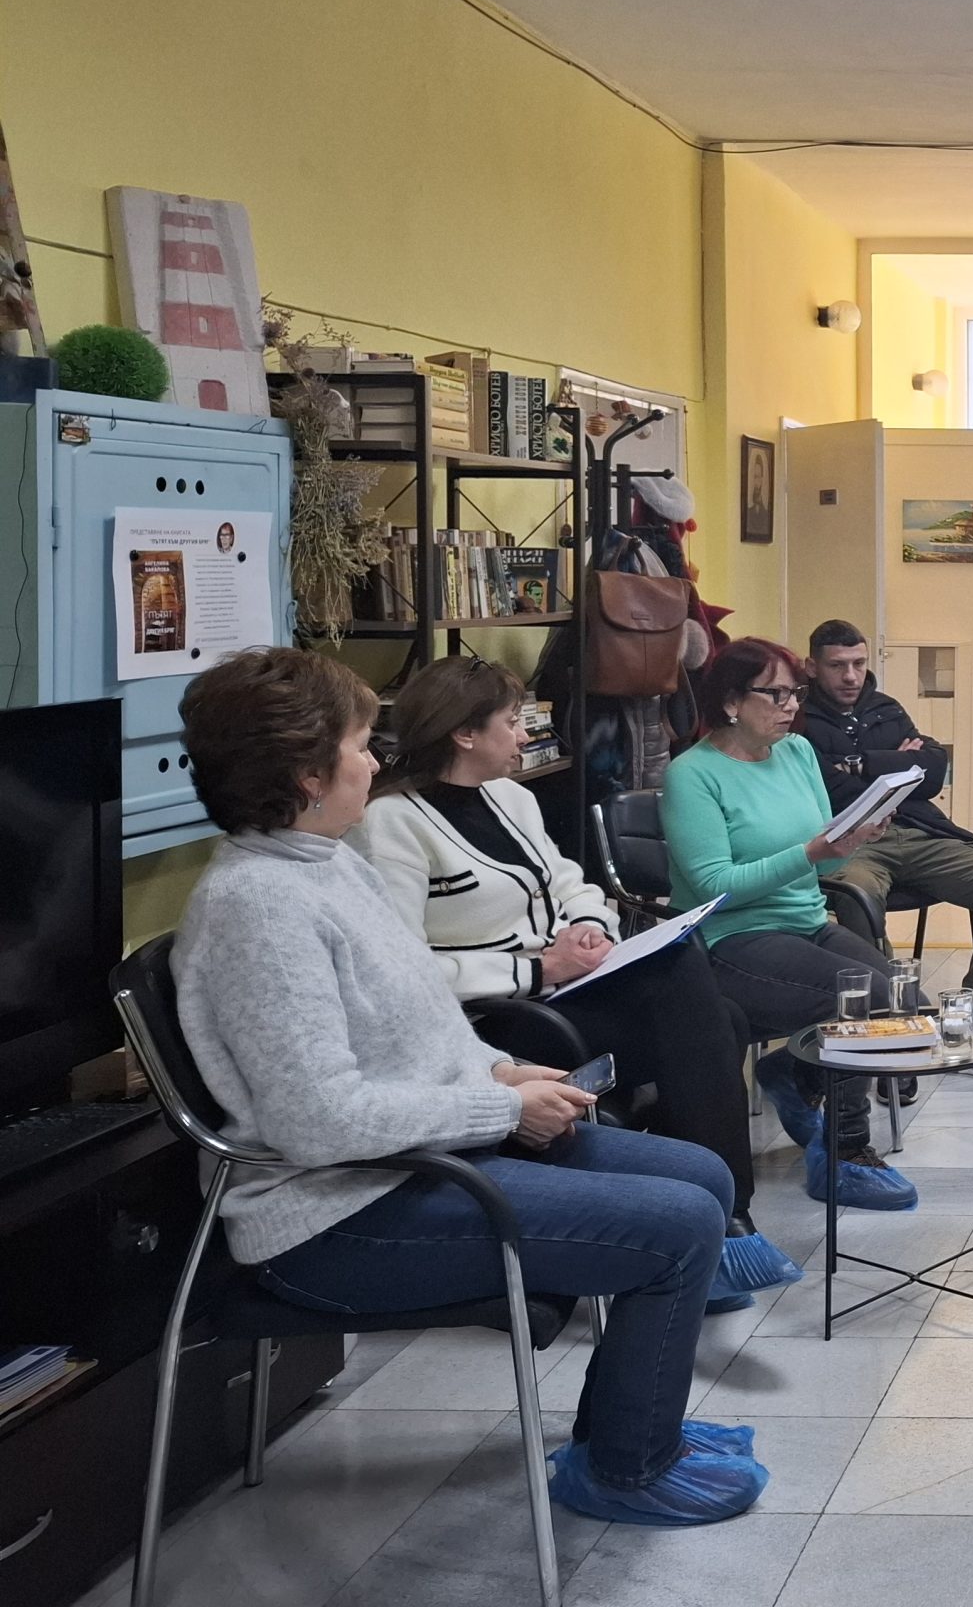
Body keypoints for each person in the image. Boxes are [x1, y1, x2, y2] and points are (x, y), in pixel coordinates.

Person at [171, 648, 767, 1525]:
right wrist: (502, 1108)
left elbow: (422, 1015)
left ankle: (630, 1425)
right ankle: (627, 1465)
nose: (375, 762)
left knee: (703, 1177)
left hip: (410, 1161)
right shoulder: (258, 908)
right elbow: (317, 1120)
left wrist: (498, 1069)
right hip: (335, 1218)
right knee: (678, 1226)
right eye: (360, 746)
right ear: (307, 776)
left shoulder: (325, 862)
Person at [351, 656, 799, 1307]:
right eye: (513, 722)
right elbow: (404, 970)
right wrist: (537, 968)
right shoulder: (392, 823)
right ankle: (723, 1220)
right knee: (703, 1011)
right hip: (492, 1025)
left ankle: (706, 1220)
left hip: (562, 994)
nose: (525, 736)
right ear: (464, 734)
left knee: (711, 1007)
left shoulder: (511, 797)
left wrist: (589, 928)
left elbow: (572, 883)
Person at [661, 637, 917, 1211]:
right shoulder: (692, 775)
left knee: (904, 1002)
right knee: (864, 1001)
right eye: (775, 694)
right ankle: (845, 1155)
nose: (791, 705)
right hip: (731, 937)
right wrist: (812, 851)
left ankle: (791, 1073)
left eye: (795, 692)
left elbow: (824, 862)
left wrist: (854, 839)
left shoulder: (797, 752)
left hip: (805, 920)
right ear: (731, 701)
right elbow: (714, 886)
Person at [796, 619, 973, 1032]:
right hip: (851, 843)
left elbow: (932, 771)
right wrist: (896, 763)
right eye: (837, 665)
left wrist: (859, 764)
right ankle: (894, 1020)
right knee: (857, 896)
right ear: (811, 667)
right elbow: (827, 788)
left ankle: (970, 1018)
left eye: (859, 663)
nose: (851, 676)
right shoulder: (798, 719)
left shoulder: (885, 709)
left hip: (920, 832)